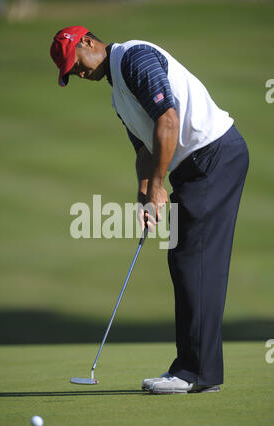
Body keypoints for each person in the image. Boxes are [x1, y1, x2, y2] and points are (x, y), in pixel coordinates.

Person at [50, 26, 249, 394]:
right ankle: (195, 369)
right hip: (198, 166)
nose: (76, 73)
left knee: (193, 259)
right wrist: (145, 194)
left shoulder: (135, 57)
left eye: (74, 63)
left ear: (89, 43)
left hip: (214, 156)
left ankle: (196, 374)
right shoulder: (117, 96)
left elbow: (168, 120)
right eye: (69, 73)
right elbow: (145, 150)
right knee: (185, 259)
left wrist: (159, 186)